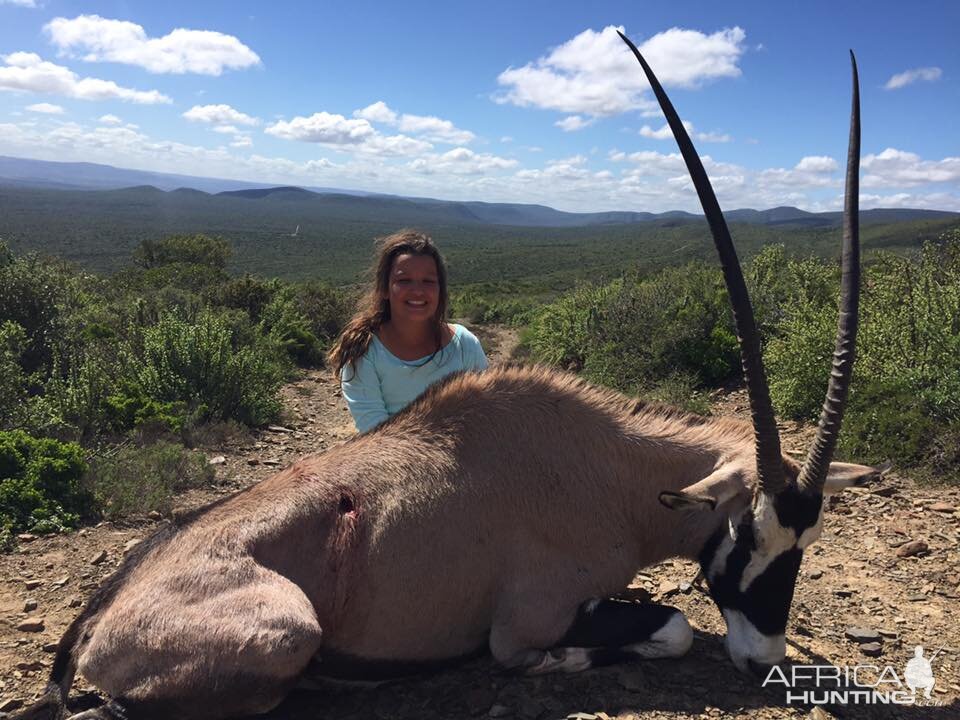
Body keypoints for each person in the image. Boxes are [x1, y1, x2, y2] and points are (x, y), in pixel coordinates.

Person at [328, 229, 488, 433]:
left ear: (440, 289)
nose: (418, 291)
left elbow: (485, 419)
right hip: (392, 461)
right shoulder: (363, 351)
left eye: (428, 281)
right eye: (404, 281)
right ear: (384, 289)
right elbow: (376, 437)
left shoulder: (465, 344)